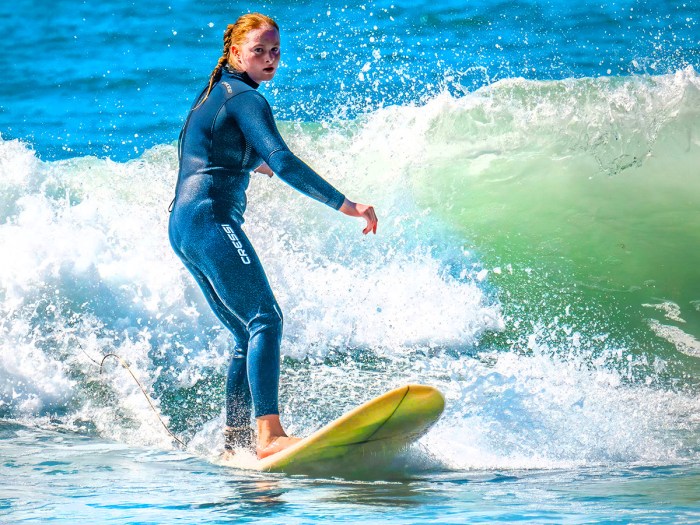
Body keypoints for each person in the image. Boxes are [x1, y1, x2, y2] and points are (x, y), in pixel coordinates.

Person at [168, 13, 378, 460]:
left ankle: (236, 443)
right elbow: (281, 160)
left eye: (275, 51)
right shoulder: (245, 99)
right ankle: (269, 434)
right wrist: (348, 204)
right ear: (235, 53)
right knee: (266, 319)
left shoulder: (214, 94)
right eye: (259, 51)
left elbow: (210, 153)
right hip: (210, 220)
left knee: (247, 334)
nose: (268, 60)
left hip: (184, 224)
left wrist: (247, 163)